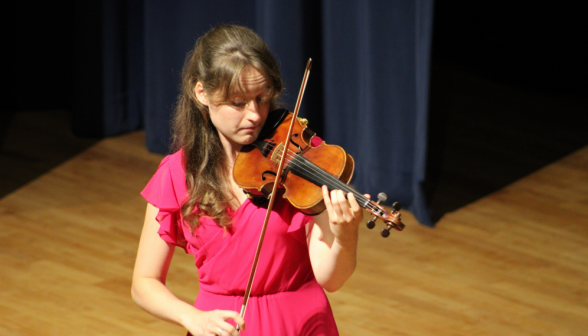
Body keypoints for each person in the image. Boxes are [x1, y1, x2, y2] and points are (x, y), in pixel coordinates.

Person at [132, 24, 365, 336]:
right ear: (202, 93)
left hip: (300, 323)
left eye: (262, 98)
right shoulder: (178, 172)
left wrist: (345, 239)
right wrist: (191, 317)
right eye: (238, 102)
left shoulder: (299, 164)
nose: (255, 114)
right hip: (219, 327)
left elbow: (331, 280)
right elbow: (143, 283)